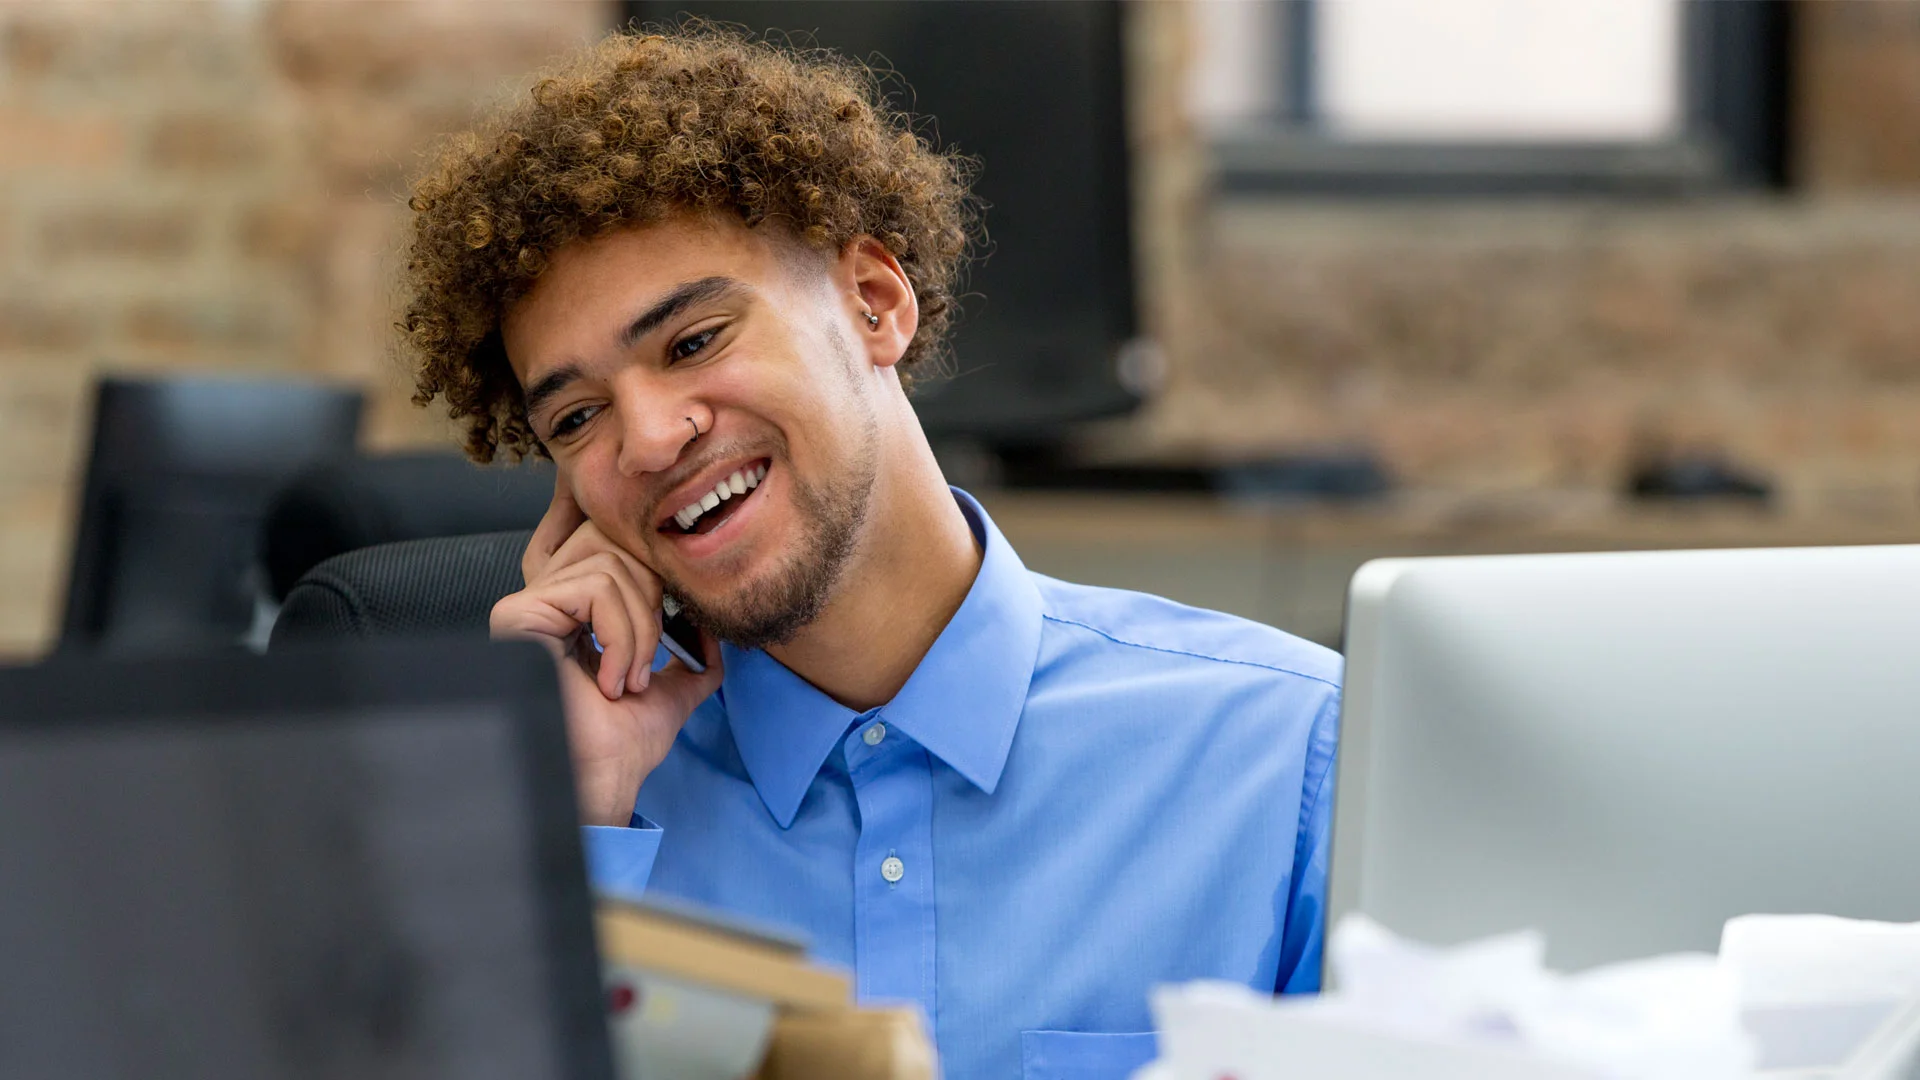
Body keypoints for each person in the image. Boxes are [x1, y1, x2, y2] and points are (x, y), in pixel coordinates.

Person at [398, 26, 1340, 1080]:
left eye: (695, 342)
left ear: (875, 303)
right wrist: (570, 814)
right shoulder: (559, 818)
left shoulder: (1287, 755)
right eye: (577, 418)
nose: (652, 438)